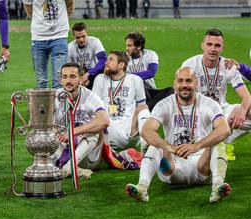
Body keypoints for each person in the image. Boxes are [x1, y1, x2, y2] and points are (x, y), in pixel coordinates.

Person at [125, 67, 232, 203]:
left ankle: (217, 186)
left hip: (201, 168)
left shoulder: (209, 104)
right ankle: (142, 188)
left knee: (217, 143)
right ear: (175, 84)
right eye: (180, 81)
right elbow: (146, 131)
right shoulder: (164, 104)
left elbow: (224, 129)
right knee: (155, 144)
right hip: (171, 170)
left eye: (188, 81)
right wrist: (169, 147)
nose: (184, 85)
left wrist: (197, 146)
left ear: (196, 83)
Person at [181, 29, 251, 161]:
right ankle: (214, 142)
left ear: (222, 48)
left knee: (248, 110)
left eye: (217, 46)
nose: (213, 49)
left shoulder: (228, 65)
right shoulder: (190, 65)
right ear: (202, 45)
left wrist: (242, 111)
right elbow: (179, 96)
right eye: (209, 44)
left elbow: (247, 97)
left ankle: (223, 141)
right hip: (196, 112)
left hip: (221, 111)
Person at [53, 63, 109, 179]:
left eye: (73, 76)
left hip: (87, 155)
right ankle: (74, 170)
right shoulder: (55, 96)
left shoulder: (90, 97)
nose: (68, 80)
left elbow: (104, 120)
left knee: (93, 132)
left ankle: (68, 168)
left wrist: (74, 131)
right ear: (60, 80)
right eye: (65, 77)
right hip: (63, 148)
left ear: (80, 78)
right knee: (47, 135)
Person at [92, 51, 150, 153]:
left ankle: (146, 146)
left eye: (111, 60)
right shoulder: (100, 79)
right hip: (109, 130)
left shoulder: (135, 80)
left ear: (121, 65)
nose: (106, 63)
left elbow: (141, 107)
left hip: (132, 133)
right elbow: (93, 109)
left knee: (143, 108)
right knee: (98, 117)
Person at [23, 0, 74, 89]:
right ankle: (43, 103)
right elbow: (28, 6)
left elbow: (70, 4)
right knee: (41, 81)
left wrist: (61, 21)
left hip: (59, 35)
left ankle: (58, 103)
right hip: (38, 37)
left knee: (59, 80)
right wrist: (39, 21)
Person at [125, 32, 174, 111]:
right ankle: (150, 110)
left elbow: (151, 72)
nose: (126, 48)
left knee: (171, 90)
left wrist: (130, 75)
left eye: (129, 45)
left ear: (139, 46)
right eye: (126, 45)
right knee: (139, 83)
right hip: (133, 94)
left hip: (150, 91)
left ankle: (144, 109)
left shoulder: (150, 54)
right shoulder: (124, 58)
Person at [67, 22, 107, 90]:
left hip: (93, 72)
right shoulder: (70, 47)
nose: (81, 40)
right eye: (78, 37)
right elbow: (69, 67)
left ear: (87, 33)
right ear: (73, 36)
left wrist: (88, 74)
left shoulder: (95, 41)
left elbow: (103, 60)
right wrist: (79, 79)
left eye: (83, 36)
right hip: (77, 74)